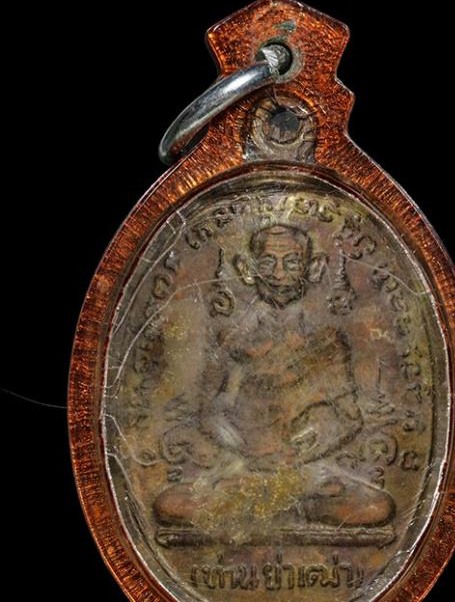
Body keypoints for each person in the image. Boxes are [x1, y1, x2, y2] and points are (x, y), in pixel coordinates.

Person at [154, 224, 395, 539]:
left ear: (312, 268)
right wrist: (246, 448)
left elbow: (348, 418)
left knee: (375, 507)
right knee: (170, 504)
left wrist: (310, 442)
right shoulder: (232, 339)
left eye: (291, 263)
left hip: (306, 472)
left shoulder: (327, 339)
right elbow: (211, 414)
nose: (279, 274)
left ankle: (281, 505)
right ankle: (279, 505)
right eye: (268, 263)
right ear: (248, 270)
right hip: (244, 471)